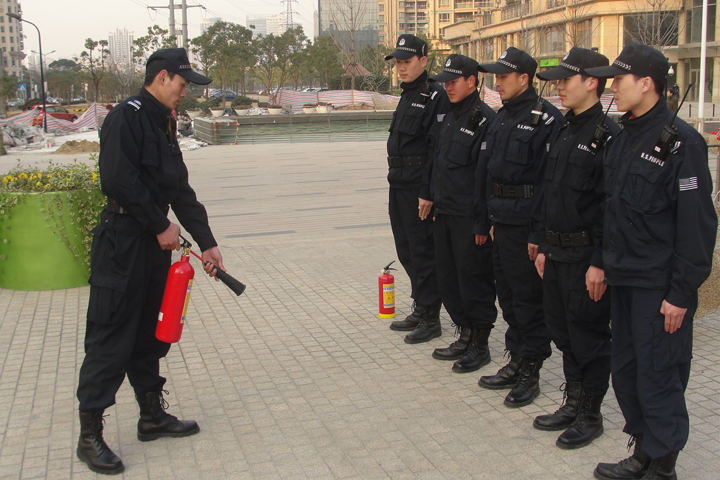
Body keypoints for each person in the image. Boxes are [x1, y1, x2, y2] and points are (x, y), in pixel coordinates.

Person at [76, 48, 225, 475]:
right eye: (182, 83)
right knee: (111, 337)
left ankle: (151, 416)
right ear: (162, 77)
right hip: (121, 244)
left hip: (152, 249)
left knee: (148, 334)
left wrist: (207, 242)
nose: (185, 91)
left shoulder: (165, 123)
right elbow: (117, 179)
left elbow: (180, 190)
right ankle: (89, 436)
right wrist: (160, 224)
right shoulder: (127, 117)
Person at [585, 42, 717, 480]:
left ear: (646, 84)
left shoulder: (682, 144)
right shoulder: (624, 137)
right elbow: (611, 209)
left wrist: (681, 293)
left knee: (659, 374)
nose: (612, 87)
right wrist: (600, 261)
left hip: (659, 287)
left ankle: (662, 466)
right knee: (627, 372)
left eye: (618, 79)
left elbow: (697, 226)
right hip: (624, 278)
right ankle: (643, 450)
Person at [532, 47, 619, 449]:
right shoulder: (564, 130)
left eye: (566, 80)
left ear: (592, 82)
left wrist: (599, 262)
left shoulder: (608, 137)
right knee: (563, 331)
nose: (560, 88)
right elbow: (549, 193)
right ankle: (573, 401)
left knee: (589, 336)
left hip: (586, 258)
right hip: (557, 253)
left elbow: (609, 207)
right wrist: (544, 244)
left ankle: (590, 413)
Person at [476, 47, 565, 408]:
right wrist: (489, 218)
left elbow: (547, 183)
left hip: (526, 223)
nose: (497, 82)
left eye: (503, 76)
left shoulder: (546, 119)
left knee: (528, 301)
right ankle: (516, 358)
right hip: (502, 220)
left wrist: (538, 234)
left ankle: (531, 368)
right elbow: (489, 172)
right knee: (509, 297)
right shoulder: (502, 117)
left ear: (524, 79)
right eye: (496, 76)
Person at [426, 54, 498, 373]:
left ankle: (480, 344)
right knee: (448, 280)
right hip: (445, 213)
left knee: (474, 282)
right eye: (446, 83)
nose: (449, 88)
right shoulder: (449, 116)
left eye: (454, 82)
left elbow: (485, 178)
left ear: (472, 81)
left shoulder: (485, 120)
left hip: (469, 219)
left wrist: (483, 222)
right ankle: (465, 334)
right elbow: (439, 164)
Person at [384, 34, 450, 343]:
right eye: (398, 62)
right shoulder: (408, 94)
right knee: (406, 249)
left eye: (407, 61)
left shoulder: (435, 95)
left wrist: (427, 192)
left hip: (417, 189)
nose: (401, 67)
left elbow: (436, 149)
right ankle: (421, 306)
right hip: (398, 183)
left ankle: (431, 317)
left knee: (422, 251)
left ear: (423, 61)